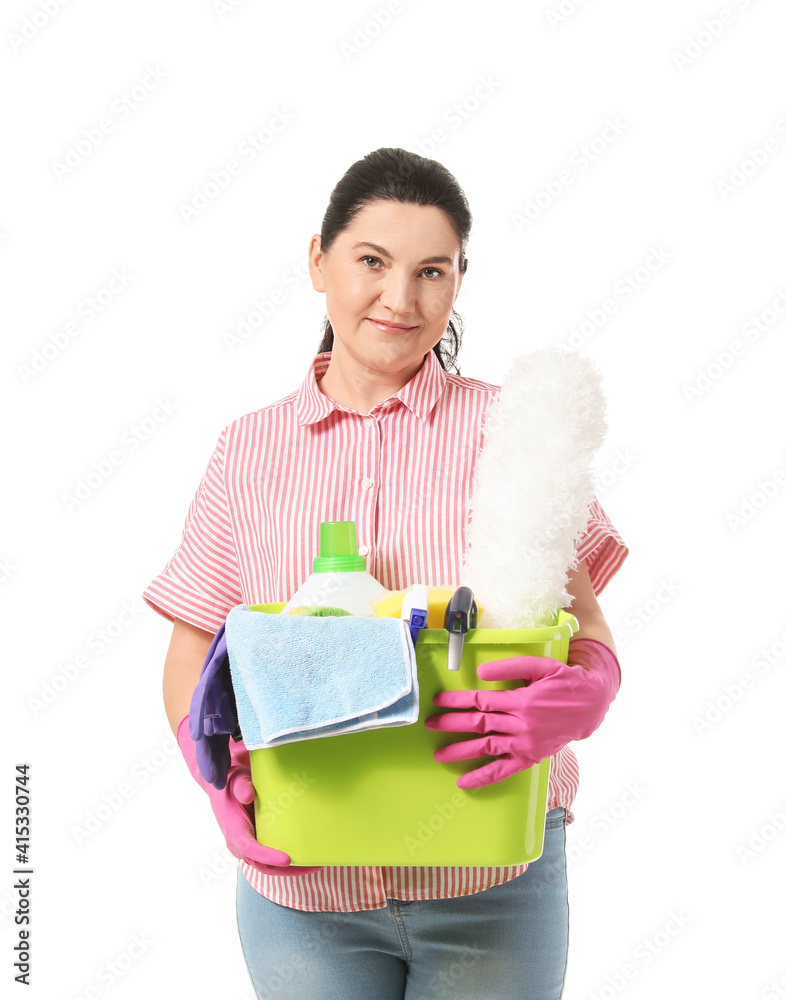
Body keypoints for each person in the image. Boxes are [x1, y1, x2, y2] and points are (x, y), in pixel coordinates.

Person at [144, 146, 628, 1000]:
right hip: (303, 888)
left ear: (457, 283)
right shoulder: (249, 451)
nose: (400, 299)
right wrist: (208, 760)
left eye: (431, 272)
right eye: (372, 261)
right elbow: (195, 645)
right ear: (318, 261)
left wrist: (592, 682)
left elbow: (581, 620)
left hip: (491, 880)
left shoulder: (514, 431)